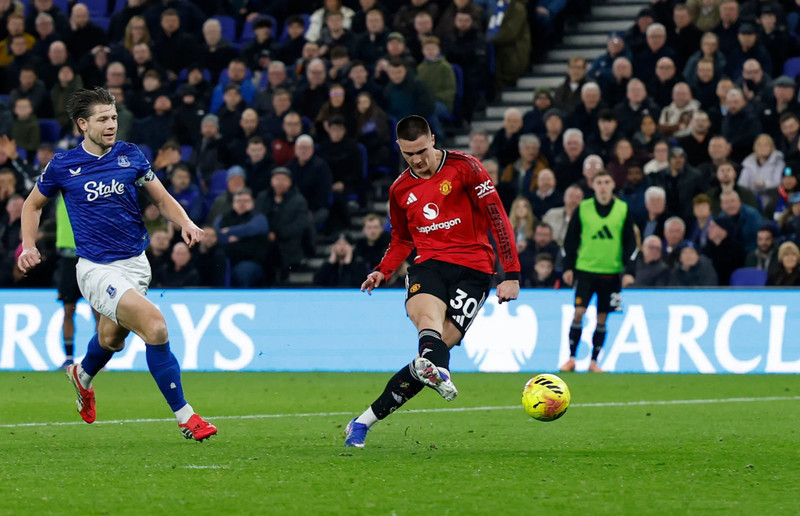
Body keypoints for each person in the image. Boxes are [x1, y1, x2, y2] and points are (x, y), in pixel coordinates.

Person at [17, 87, 216, 441]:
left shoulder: (130, 156)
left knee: (111, 340)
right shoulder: (63, 165)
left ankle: (82, 375)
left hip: (136, 264)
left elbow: (162, 197)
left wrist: (185, 222)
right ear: (83, 124)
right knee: (155, 326)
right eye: (102, 119)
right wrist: (27, 246)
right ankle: (186, 417)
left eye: (113, 118)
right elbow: (32, 205)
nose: (111, 125)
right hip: (96, 268)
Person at [345, 115, 520, 448]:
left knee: (429, 359)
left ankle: (362, 421)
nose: (417, 160)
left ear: (433, 140)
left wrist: (511, 273)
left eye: (422, 151)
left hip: (475, 271)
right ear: (400, 149)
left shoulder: (466, 167)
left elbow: (497, 216)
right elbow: (401, 238)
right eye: (409, 154)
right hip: (428, 265)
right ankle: (441, 371)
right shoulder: (399, 189)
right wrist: (383, 268)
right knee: (428, 324)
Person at [560, 170, 637, 373]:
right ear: (593, 186)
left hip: (611, 272)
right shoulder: (583, 209)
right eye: (599, 182)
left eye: (607, 182)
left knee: (603, 317)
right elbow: (570, 240)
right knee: (579, 312)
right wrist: (568, 266)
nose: (603, 186)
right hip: (585, 270)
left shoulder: (622, 209)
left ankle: (594, 362)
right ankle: (571, 358)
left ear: (613, 185)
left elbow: (630, 241)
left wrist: (630, 270)